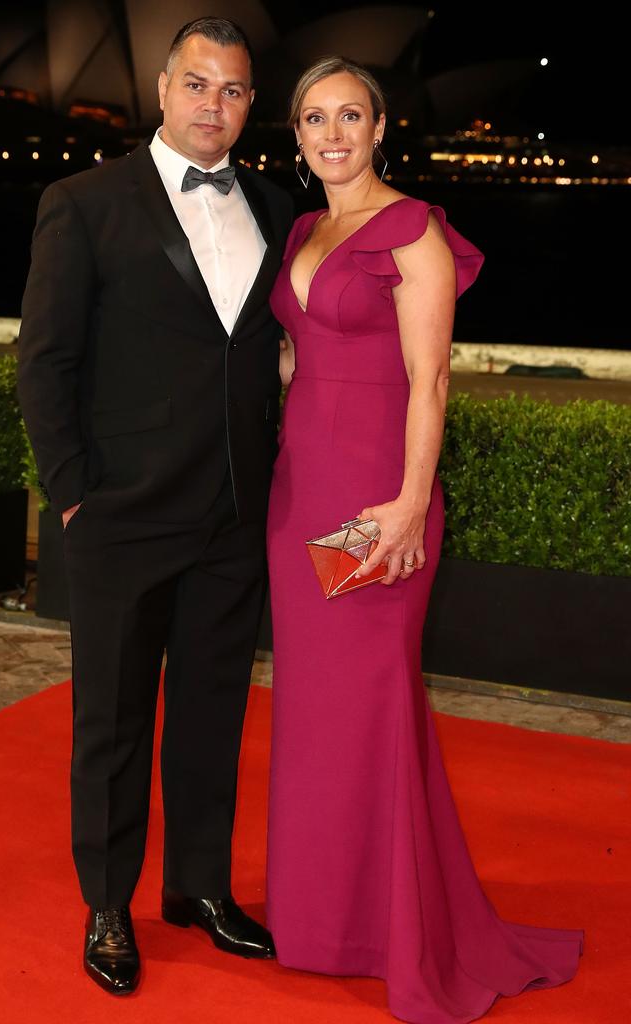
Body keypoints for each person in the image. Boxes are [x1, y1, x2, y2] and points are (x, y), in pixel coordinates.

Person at [265, 56, 583, 1023]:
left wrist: (409, 505)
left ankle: (394, 932)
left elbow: (431, 380)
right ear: (298, 134)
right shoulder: (304, 228)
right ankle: (322, 921)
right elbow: (295, 357)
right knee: (315, 715)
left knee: (374, 704)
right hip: (298, 498)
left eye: (349, 115)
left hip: (376, 499)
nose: (332, 133)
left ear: (381, 126)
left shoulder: (418, 233)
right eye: (315, 118)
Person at [17, 17, 293, 996]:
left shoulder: (274, 203)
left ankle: (200, 889)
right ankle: (108, 903)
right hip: (123, 518)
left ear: (250, 103)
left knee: (213, 713)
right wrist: (75, 497)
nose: (214, 105)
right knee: (114, 721)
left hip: (232, 517)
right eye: (197, 85)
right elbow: (44, 363)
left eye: (233, 91)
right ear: (162, 90)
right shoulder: (83, 203)